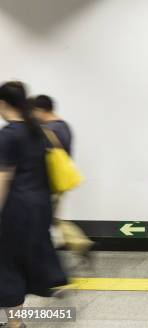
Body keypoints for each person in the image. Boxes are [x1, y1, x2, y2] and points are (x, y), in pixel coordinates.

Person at [0, 82, 68, 328]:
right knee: (19, 261)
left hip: (15, 209)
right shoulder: (39, 130)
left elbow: (3, 178)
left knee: (7, 265)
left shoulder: (8, 135)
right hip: (39, 206)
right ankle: (16, 320)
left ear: (3, 104)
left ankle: (14, 324)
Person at [30, 95, 93, 269]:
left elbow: (43, 158)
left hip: (49, 183)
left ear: (41, 110)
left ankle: (49, 262)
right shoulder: (64, 126)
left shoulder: (48, 130)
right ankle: (80, 243)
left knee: (43, 220)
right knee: (53, 219)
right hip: (60, 181)